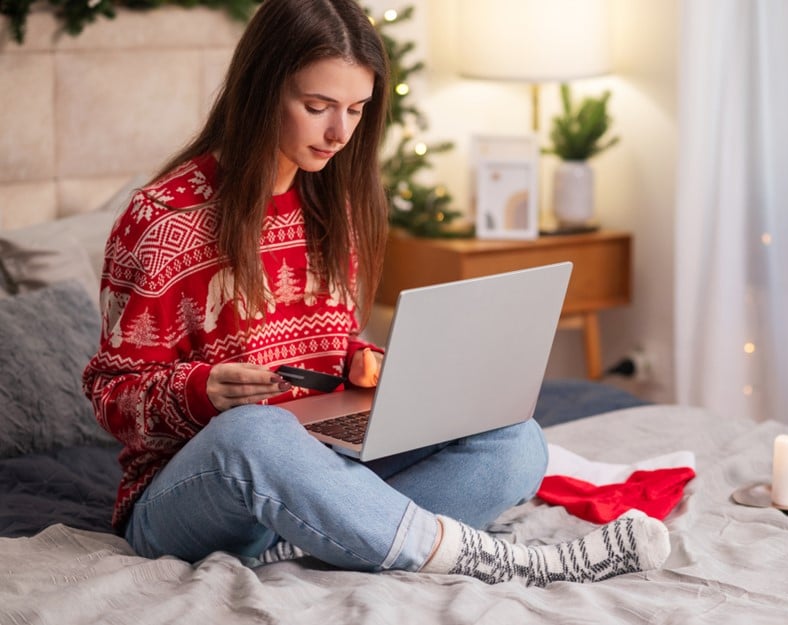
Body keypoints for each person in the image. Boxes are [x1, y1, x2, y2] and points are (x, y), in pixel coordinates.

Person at [82, 0, 670, 587]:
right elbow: (111, 394)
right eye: (317, 107)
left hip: (320, 465)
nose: (339, 133)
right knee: (257, 433)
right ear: (261, 91)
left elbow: (327, 350)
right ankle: (515, 563)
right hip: (197, 494)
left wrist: (375, 370)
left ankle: (324, 536)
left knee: (517, 442)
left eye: (356, 110)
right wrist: (201, 390)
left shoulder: (330, 204)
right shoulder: (162, 219)